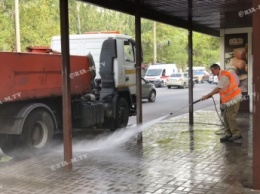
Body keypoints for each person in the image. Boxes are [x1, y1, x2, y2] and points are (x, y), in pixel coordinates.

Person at [201, 64, 242, 142]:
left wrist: (208, 95)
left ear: (217, 69)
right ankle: (228, 134)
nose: (211, 72)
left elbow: (218, 88)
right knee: (226, 116)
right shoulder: (220, 76)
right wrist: (209, 95)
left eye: (212, 70)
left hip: (234, 98)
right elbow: (221, 89)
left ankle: (237, 134)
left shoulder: (224, 76)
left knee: (230, 116)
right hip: (228, 100)